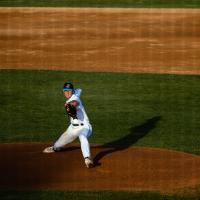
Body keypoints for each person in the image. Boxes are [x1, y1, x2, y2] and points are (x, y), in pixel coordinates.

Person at [43, 82, 93, 168]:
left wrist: (71, 104)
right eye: (65, 91)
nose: (67, 93)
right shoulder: (75, 94)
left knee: (82, 136)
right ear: (63, 91)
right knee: (57, 145)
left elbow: (75, 102)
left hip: (84, 127)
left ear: (72, 91)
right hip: (72, 128)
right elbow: (77, 92)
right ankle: (55, 148)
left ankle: (87, 158)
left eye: (69, 91)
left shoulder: (75, 99)